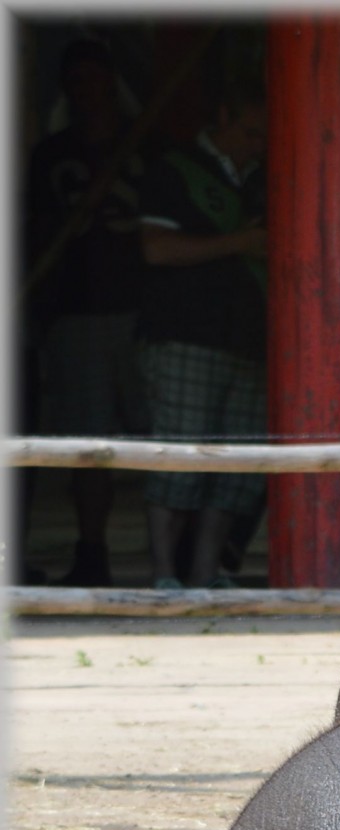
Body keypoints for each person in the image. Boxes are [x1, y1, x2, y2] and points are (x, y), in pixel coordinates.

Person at [135, 76, 267, 590]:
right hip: (184, 335)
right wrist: (240, 242)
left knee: (232, 470)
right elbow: (156, 249)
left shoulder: (264, 178)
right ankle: (165, 574)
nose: (259, 144)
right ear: (224, 118)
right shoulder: (174, 169)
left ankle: (205, 572)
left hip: (251, 339)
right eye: (252, 132)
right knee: (177, 458)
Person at [26, 38, 147, 586]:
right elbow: (28, 235)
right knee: (88, 445)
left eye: (96, 80)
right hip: (75, 314)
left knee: (158, 441)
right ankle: (92, 551)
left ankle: (177, 560)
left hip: (145, 315)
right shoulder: (51, 156)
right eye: (76, 83)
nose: (88, 92)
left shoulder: (146, 146)